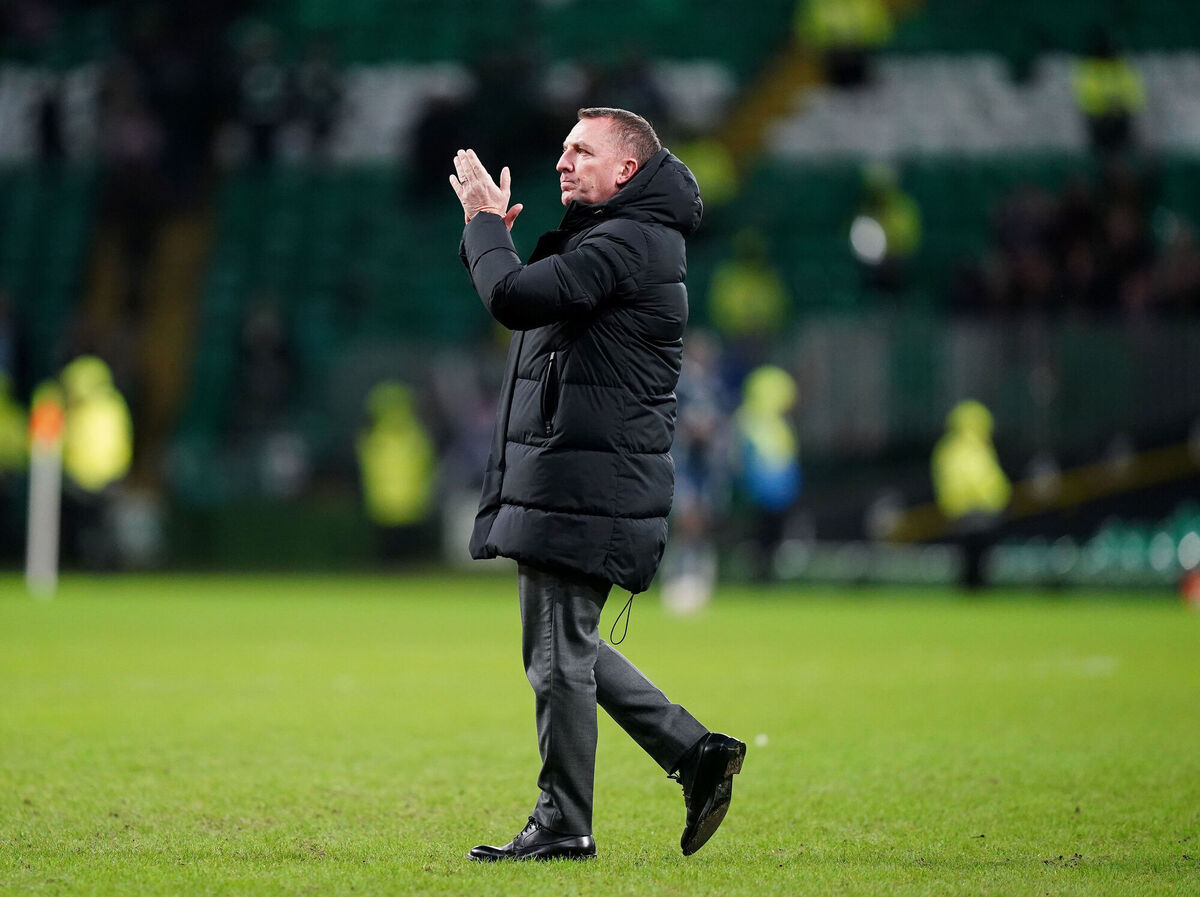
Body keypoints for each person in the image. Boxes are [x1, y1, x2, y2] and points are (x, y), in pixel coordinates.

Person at [450, 107, 745, 862]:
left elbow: (511, 297)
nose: (562, 161)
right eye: (561, 149)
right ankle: (695, 751)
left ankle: (564, 822)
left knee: (555, 655)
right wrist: (488, 236)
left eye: (582, 150)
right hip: (577, 473)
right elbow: (522, 299)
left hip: (587, 478)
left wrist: (485, 224)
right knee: (564, 645)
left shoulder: (628, 241)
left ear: (628, 170)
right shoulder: (625, 239)